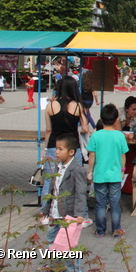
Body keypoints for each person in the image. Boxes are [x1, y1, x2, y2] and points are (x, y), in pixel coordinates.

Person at [42, 76, 90, 223]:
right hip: (72, 147)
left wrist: (46, 148)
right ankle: (82, 215)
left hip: (53, 146)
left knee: (50, 181)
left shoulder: (50, 106)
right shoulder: (77, 106)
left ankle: (45, 214)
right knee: (77, 182)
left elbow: (48, 130)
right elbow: (85, 128)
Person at [40, 133, 87, 272]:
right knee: (51, 241)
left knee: (69, 247)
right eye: (56, 149)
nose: (57, 152)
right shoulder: (57, 167)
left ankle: (74, 270)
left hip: (68, 215)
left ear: (71, 152)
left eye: (60, 149)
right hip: (54, 215)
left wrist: (79, 214)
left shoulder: (77, 170)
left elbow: (80, 193)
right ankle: (55, 267)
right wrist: (45, 209)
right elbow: (51, 190)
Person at [87, 104, 128, 237]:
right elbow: (123, 155)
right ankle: (116, 229)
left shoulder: (95, 136)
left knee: (100, 204)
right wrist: (122, 170)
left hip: (99, 175)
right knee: (115, 204)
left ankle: (100, 230)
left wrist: (90, 171)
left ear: (101, 118)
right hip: (115, 175)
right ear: (116, 118)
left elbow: (91, 155)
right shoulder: (119, 136)